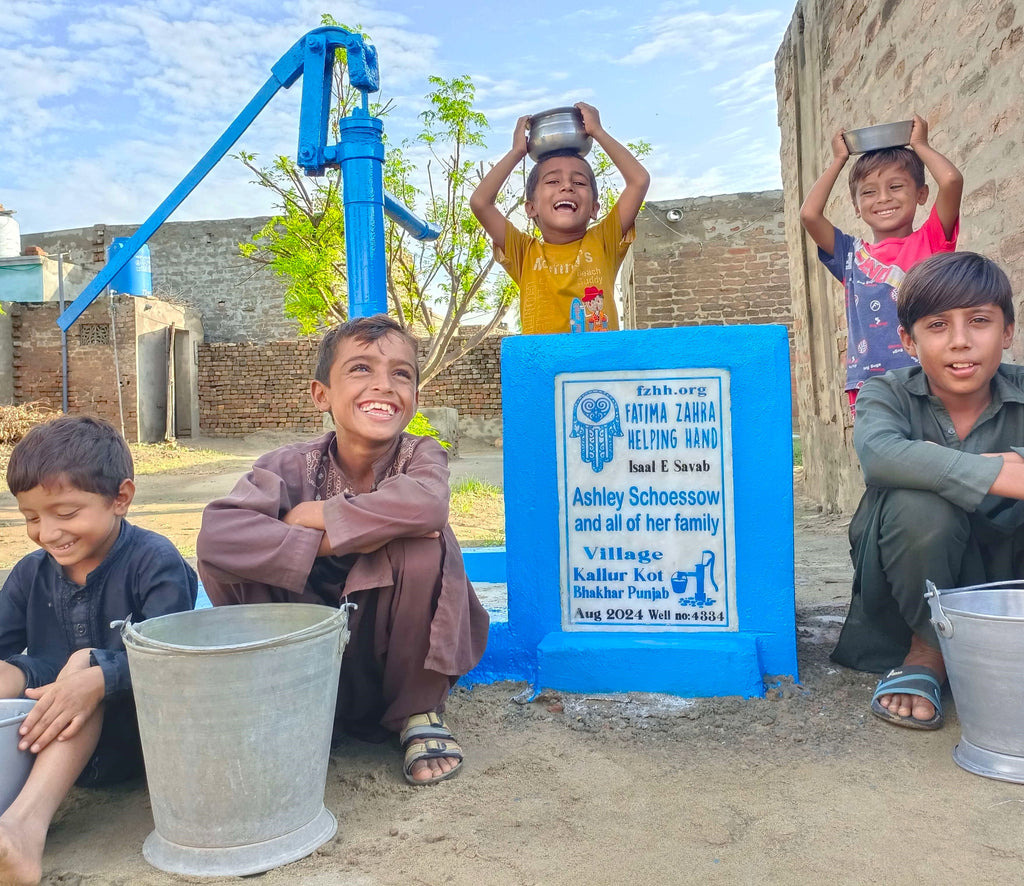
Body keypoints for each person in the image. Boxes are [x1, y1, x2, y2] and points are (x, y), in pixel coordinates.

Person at [196, 314, 489, 786]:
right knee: (230, 556)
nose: (384, 385)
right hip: (304, 651)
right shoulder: (286, 466)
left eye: (401, 374)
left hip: (390, 652)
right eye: (361, 369)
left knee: (424, 547)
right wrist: (331, 541)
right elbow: (219, 537)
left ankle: (417, 712)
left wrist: (312, 516)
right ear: (322, 395)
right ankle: (294, 704)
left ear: (415, 397)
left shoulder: (420, 455)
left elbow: (427, 506)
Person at [0, 416, 198, 886]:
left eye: (66, 513)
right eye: (31, 518)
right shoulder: (30, 573)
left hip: (133, 737)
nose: (48, 533)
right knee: (9, 672)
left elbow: (176, 657)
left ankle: (22, 830)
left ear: (120, 498)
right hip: (40, 738)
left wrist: (98, 678)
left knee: (84, 665)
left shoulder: (154, 561)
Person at [833, 251, 1024, 731]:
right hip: (915, 576)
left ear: (1007, 331)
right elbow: (879, 455)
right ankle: (928, 650)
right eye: (937, 325)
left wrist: (936, 463)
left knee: (925, 480)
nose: (960, 341)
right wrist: (1002, 471)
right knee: (918, 503)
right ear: (908, 341)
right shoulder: (886, 392)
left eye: (979, 321)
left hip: (1008, 572)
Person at [799, 114, 964, 417]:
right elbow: (809, 215)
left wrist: (920, 144)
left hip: (931, 380)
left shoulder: (931, 241)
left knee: (932, 447)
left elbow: (952, 181)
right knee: (881, 448)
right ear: (856, 206)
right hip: (872, 385)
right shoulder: (850, 255)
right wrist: (838, 160)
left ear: (921, 194)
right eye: (869, 191)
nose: (883, 198)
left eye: (896, 186)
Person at [470, 102, 650, 335]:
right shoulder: (523, 252)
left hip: (599, 359)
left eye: (579, 182)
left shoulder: (604, 241)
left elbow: (638, 181)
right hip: (543, 359)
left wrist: (598, 132)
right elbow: (480, 202)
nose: (567, 186)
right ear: (531, 208)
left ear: (594, 208)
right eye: (553, 181)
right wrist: (516, 152)